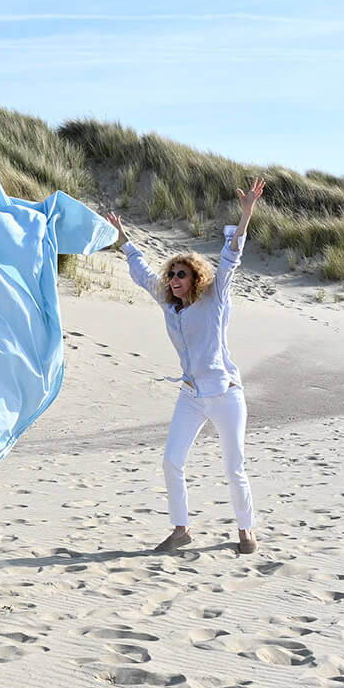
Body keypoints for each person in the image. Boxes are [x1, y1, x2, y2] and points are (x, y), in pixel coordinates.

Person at [105, 176, 267, 555]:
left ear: (196, 278)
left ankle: (246, 531)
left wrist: (247, 214)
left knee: (233, 467)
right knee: (171, 460)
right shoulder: (166, 300)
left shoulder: (215, 298)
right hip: (191, 394)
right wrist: (122, 237)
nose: (173, 280)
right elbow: (141, 270)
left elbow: (232, 257)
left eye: (181, 274)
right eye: (172, 275)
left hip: (225, 394)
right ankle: (181, 530)